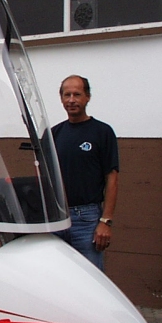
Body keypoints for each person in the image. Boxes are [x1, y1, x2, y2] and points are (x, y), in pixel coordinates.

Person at [51, 75, 119, 271]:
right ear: (61, 98)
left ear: (87, 97)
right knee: (57, 276)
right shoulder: (54, 134)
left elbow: (112, 178)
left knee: (90, 278)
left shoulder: (102, 132)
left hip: (87, 221)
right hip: (57, 219)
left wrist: (105, 221)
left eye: (77, 94)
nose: (71, 100)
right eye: (67, 95)